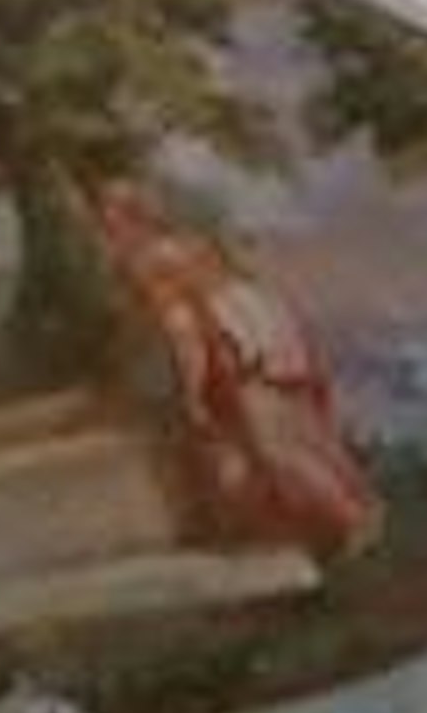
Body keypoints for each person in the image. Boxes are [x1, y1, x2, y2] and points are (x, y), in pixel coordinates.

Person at [97, 179, 376, 566]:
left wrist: (194, 393)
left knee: (271, 441)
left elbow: (183, 329)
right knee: (298, 427)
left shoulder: (147, 262)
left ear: (132, 218)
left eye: (111, 216)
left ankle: (344, 521)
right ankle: (347, 515)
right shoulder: (189, 243)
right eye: (105, 215)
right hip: (264, 320)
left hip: (233, 337)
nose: (106, 225)